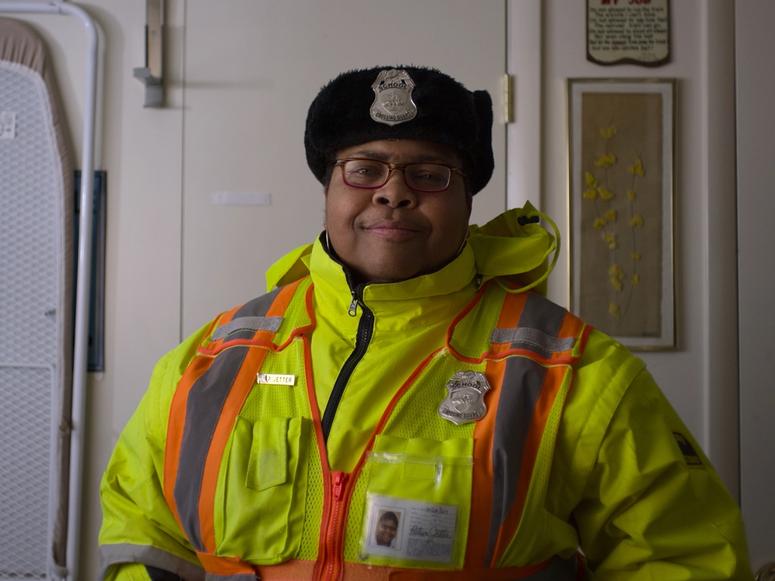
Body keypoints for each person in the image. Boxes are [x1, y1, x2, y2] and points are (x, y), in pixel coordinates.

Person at [99, 65, 753, 580]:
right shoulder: (211, 359)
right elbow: (141, 533)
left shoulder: (572, 369)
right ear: (328, 188)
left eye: (428, 173)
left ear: (468, 200)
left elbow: (681, 556)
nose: (393, 190)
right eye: (363, 168)